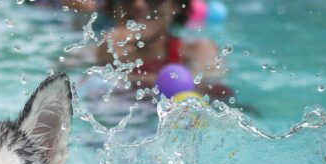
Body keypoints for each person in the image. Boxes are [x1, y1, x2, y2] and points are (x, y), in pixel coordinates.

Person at [96, 0, 230, 99]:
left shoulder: (197, 50)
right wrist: (105, 60)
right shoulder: (97, 52)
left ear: (176, 6)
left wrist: (115, 78)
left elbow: (207, 87)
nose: (138, 5)